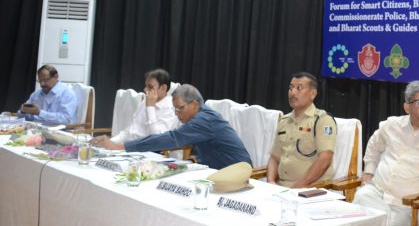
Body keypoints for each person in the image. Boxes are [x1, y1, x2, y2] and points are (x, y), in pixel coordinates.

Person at [353, 80, 419, 225]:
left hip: (409, 206)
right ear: (407, 107)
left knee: (382, 221)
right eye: (418, 103)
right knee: (361, 197)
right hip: (377, 194)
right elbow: (374, 145)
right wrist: (369, 172)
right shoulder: (391, 125)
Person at [96, 84, 251, 170]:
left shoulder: (203, 120)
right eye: (175, 109)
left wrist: (119, 147)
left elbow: (172, 138)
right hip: (218, 169)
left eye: (180, 108)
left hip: (236, 173)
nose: (177, 114)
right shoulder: (203, 115)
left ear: (194, 104)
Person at [267, 72, 337, 188]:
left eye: (299, 88)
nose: (293, 92)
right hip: (281, 188)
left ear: (313, 94)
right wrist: (270, 182)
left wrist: (296, 187)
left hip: (311, 188)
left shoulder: (322, 120)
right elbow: (274, 157)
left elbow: (325, 158)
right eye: (291, 88)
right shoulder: (284, 121)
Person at [91, 69, 179, 147]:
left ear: (163, 88)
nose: (145, 89)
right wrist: (108, 142)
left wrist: (150, 107)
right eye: (146, 85)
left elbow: (157, 139)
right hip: (129, 148)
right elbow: (129, 131)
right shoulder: (145, 101)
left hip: (148, 152)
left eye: (150, 87)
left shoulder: (171, 108)